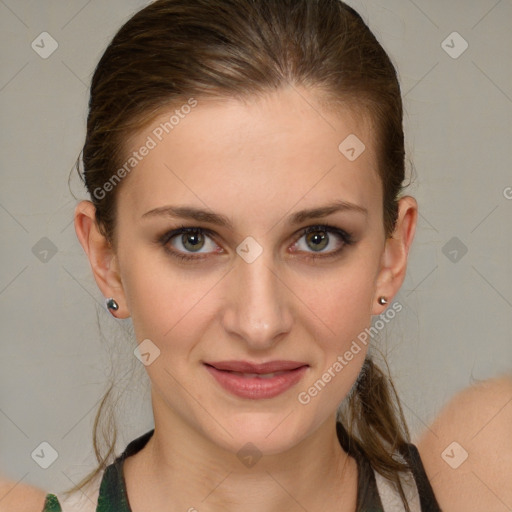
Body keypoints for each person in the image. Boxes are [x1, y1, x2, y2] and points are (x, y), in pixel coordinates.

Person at [1, 0, 509, 510]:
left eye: (318, 238)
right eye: (192, 240)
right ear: (106, 261)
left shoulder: (489, 476)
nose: (260, 323)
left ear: (390, 256)